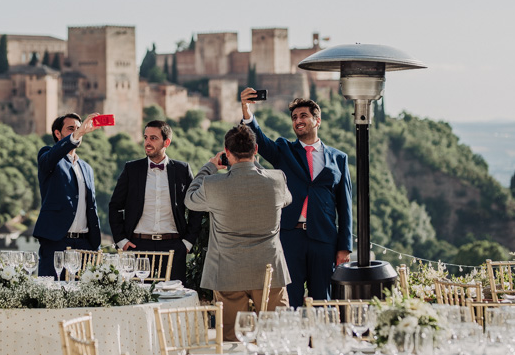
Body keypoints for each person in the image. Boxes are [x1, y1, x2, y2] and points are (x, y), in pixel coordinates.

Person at [240, 88, 352, 306]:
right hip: (291, 237)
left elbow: (345, 205)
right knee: (290, 298)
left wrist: (344, 247)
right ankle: (295, 339)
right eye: (294, 117)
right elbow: (260, 141)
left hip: (324, 239)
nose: (298, 120)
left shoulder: (339, 158)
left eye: (303, 116)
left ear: (317, 120)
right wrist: (247, 112)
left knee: (322, 299)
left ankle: (319, 339)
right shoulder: (284, 150)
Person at [185, 125, 291, 341]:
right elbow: (287, 199)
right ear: (256, 149)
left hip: (228, 271)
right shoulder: (277, 179)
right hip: (269, 270)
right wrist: (255, 164)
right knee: (277, 338)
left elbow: (190, 199)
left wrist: (209, 167)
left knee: (233, 339)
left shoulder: (213, 184)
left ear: (227, 152)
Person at [108, 120, 203, 282]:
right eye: (145, 138)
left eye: (153, 138)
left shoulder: (182, 170)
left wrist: (187, 243)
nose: (147, 143)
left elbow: (196, 207)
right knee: (139, 302)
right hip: (138, 247)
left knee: (173, 300)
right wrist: (122, 241)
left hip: (174, 246)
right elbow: (115, 206)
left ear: (166, 142)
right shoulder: (132, 169)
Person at [32, 113, 103, 277]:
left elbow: (92, 206)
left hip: (85, 243)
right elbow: (52, 157)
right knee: (51, 294)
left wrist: (95, 245)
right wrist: (76, 135)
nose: (79, 131)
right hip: (57, 240)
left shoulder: (86, 168)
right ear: (58, 134)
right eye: (71, 129)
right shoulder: (48, 156)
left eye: (79, 128)